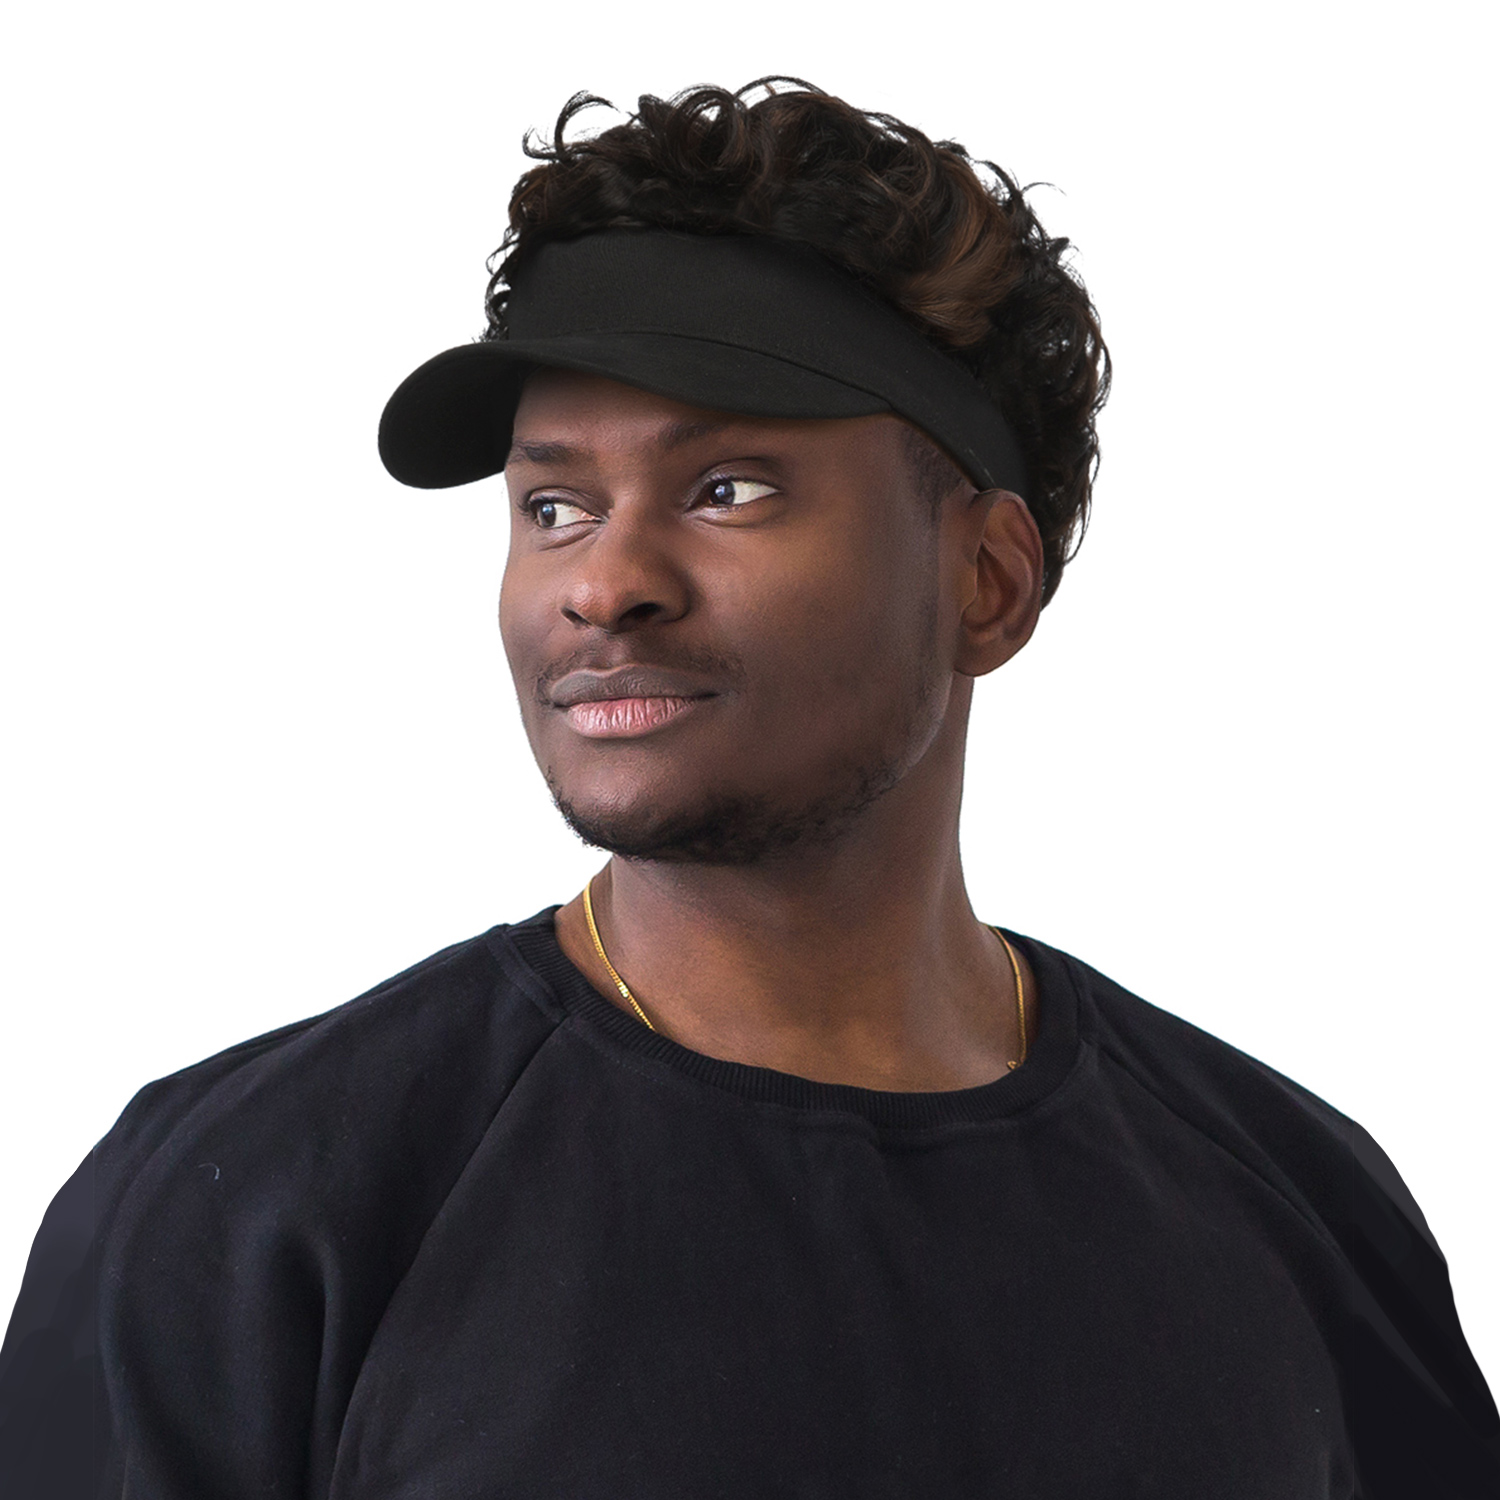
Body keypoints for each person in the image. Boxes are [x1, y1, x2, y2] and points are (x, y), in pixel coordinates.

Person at [2, 78, 1496, 1498]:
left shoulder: (1299, 1205)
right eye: (553, 506)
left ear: (985, 580)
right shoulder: (243, 1214)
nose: (605, 584)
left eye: (729, 490)